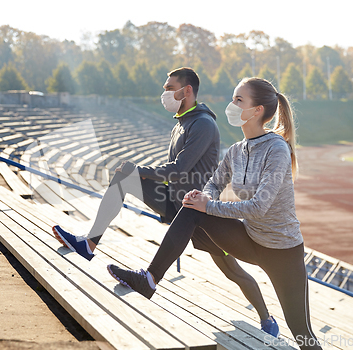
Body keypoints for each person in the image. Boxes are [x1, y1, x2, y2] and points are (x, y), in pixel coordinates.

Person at [53, 68, 279, 336]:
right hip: (175, 201)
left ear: (187, 91)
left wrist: (142, 170)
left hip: (203, 214)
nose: (165, 93)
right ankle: (89, 244)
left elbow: (180, 168)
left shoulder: (204, 124)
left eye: (169, 87)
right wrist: (138, 174)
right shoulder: (182, 122)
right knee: (124, 178)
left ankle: (267, 318)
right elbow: (173, 173)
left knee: (232, 271)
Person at [107, 77, 323, 349]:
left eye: (238, 100)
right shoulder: (236, 150)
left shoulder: (276, 149)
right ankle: (149, 279)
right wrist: (203, 196)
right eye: (233, 98)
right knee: (192, 207)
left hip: (283, 252)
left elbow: (258, 207)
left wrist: (209, 205)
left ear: (257, 111)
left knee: (302, 333)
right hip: (251, 241)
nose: (231, 105)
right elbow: (215, 182)